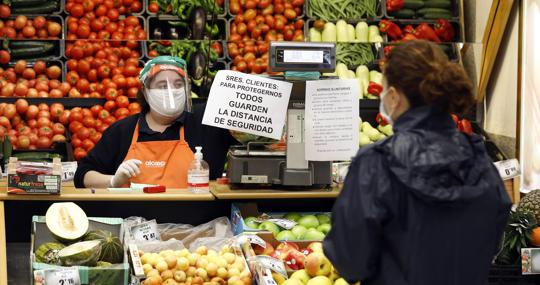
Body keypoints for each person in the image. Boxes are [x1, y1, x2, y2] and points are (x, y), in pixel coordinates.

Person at [323, 40, 511, 285]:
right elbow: (492, 241)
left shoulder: (376, 164)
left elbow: (350, 260)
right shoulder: (482, 162)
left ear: (393, 97)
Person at [74, 56, 237, 188]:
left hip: (200, 227)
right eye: (161, 86)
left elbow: (246, 135)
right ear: (145, 91)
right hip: (135, 225)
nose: (171, 91)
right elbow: (83, 175)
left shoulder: (207, 121)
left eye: (178, 84)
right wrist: (113, 181)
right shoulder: (122, 131)